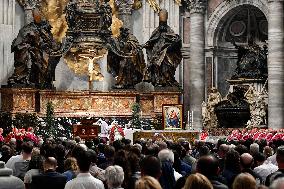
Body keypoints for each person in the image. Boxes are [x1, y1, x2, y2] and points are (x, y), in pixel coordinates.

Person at [143, 9, 182, 87]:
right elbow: (151, 41)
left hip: (167, 54)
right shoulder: (156, 32)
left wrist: (171, 46)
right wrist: (147, 45)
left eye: (163, 23)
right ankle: (158, 81)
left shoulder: (170, 32)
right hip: (156, 53)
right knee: (156, 65)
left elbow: (176, 42)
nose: (162, 25)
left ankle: (167, 80)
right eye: (161, 23)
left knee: (166, 67)